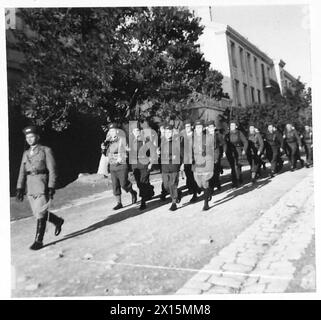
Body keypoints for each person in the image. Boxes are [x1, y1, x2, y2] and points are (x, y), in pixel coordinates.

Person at [16, 126, 64, 250]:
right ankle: (57, 221)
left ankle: (39, 241)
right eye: (27, 137)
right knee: (38, 213)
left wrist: (51, 186)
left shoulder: (45, 150)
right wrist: (19, 187)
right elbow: (22, 171)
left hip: (42, 184)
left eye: (31, 136)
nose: (29, 139)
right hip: (30, 186)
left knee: (41, 213)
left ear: (37, 137)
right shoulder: (26, 153)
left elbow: (52, 170)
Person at [104, 123, 137, 210]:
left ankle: (132, 192)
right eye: (110, 131)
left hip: (121, 165)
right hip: (112, 166)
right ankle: (119, 203)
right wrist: (103, 148)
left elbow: (126, 150)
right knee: (115, 185)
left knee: (123, 184)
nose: (112, 132)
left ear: (117, 131)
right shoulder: (108, 141)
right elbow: (105, 154)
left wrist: (123, 155)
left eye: (113, 130)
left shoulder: (122, 139)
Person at [129, 122, 155, 210]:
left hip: (144, 165)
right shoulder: (131, 141)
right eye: (134, 131)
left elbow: (153, 152)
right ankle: (150, 189)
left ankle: (143, 202)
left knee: (143, 183)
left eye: (137, 131)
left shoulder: (145, 140)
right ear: (132, 132)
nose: (136, 132)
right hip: (135, 166)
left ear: (140, 131)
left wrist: (151, 163)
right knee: (139, 184)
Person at [192, 120, 214, 211]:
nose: (199, 129)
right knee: (199, 183)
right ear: (195, 129)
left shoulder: (208, 137)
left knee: (205, 182)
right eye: (197, 127)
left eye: (200, 127)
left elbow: (213, 149)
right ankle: (208, 191)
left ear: (203, 128)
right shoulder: (192, 139)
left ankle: (206, 203)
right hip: (196, 163)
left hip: (206, 162)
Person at [160, 124, 183, 211]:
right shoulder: (162, 142)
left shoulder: (177, 143)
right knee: (166, 186)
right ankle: (177, 193)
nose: (168, 134)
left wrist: (179, 164)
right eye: (166, 132)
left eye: (170, 132)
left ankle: (174, 203)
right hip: (165, 168)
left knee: (173, 184)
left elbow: (181, 155)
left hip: (174, 167)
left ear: (172, 133)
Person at [224, 119, 248, 187]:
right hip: (230, 151)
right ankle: (237, 179)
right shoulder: (227, 134)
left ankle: (236, 181)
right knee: (233, 166)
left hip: (237, 150)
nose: (232, 126)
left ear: (236, 126)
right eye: (231, 125)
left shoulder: (239, 133)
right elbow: (224, 143)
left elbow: (245, 142)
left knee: (236, 166)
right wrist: (224, 151)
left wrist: (244, 150)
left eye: (233, 125)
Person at [181, 119, 200, 203]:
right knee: (189, 176)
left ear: (191, 127)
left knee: (194, 176)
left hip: (195, 159)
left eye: (188, 126)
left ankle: (195, 194)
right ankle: (194, 189)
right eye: (186, 127)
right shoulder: (182, 136)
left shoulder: (196, 135)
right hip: (186, 160)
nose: (187, 128)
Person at [207, 120, 225, 193]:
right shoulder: (205, 135)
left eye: (212, 127)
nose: (211, 128)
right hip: (208, 155)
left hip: (216, 153)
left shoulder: (218, 135)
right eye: (209, 127)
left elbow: (224, 144)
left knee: (215, 171)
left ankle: (216, 183)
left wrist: (224, 152)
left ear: (214, 127)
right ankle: (212, 186)